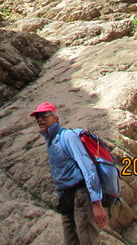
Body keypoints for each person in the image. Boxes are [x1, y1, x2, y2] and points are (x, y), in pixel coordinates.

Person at [31, 102, 109, 245]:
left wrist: (96, 202)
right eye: (37, 117)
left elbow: (87, 166)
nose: (39, 119)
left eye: (43, 115)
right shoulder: (51, 141)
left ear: (55, 118)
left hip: (81, 196)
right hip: (67, 200)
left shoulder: (67, 136)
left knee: (88, 241)